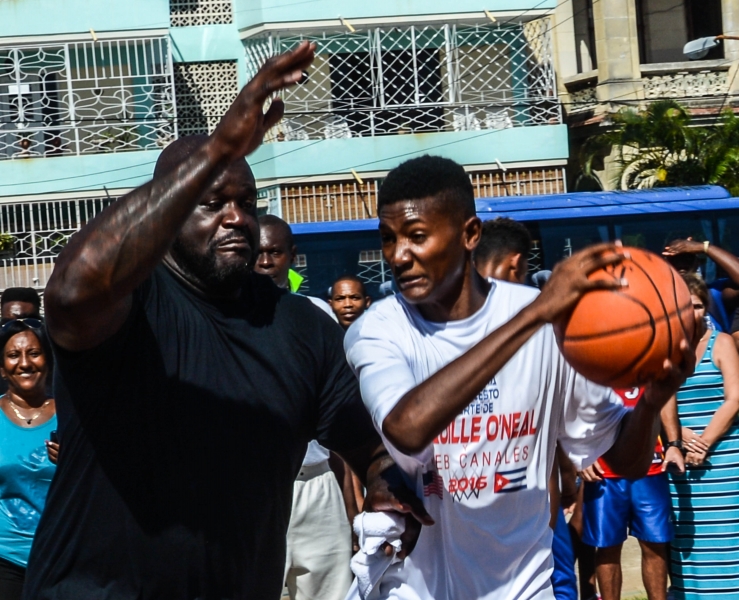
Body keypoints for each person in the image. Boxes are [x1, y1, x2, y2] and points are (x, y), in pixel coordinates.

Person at [24, 42, 429, 600]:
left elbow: (369, 448)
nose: (237, 217)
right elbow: (70, 289)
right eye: (212, 202)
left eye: (247, 201)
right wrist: (217, 149)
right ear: (166, 212)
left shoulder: (300, 327)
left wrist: (386, 485)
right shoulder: (126, 308)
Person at [344, 155, 693, 600]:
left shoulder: (547, 326)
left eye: (416, 237)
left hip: (524, 588)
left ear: (470, 234)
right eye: (388, 239)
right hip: (415, 588)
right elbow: (407, 428)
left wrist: (649, 401)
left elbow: (621, 459)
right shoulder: (379, 329)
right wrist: (536, 315)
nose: (398, 256)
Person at [254, 214, 356, 600]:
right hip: (257, 492)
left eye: (275, 252)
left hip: (316, 486)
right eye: (258, 252)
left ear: (291, 256)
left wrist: (352, 505)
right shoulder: (225, 320)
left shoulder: (318, 315)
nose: (265, 261)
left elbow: (340, 413)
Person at [474, 216, 577, 600]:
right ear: (517, 264)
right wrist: (565, 479)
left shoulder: (444, 322)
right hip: (529, 495)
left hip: (468, 503)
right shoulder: (538, 321)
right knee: (558, 583)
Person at [668, 273, 739, 599]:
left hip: (726, 458)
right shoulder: (664, 350)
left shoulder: (721, 342)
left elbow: (735, 397)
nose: (690, 312)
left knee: (729, 537)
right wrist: (679, 436)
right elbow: (657, 399)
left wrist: (705, 442)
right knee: (691, 541)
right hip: (681, 459)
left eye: (696, 305)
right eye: (683, 306)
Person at [579, 387, 684, 600]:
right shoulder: (589, 356)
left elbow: (665, 391)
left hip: (649, 463)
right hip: (603, 468)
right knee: (607, 547)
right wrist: (579, 453)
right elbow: (573, 399)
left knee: (655, 545)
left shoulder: (653, 355)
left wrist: (674, 443)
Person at [0, 319, 56, 600]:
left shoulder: (73, 416)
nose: (24, 363)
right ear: (1, 367)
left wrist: (76, 461)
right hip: (4, 561)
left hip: (61, 557)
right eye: (13, 355)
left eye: (34, 353)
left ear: (48, 359)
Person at [473, 217, 531, 285]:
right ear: (517, 262)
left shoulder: (462, 293)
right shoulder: (529, 295)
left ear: (474, 264)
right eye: (525, 273)